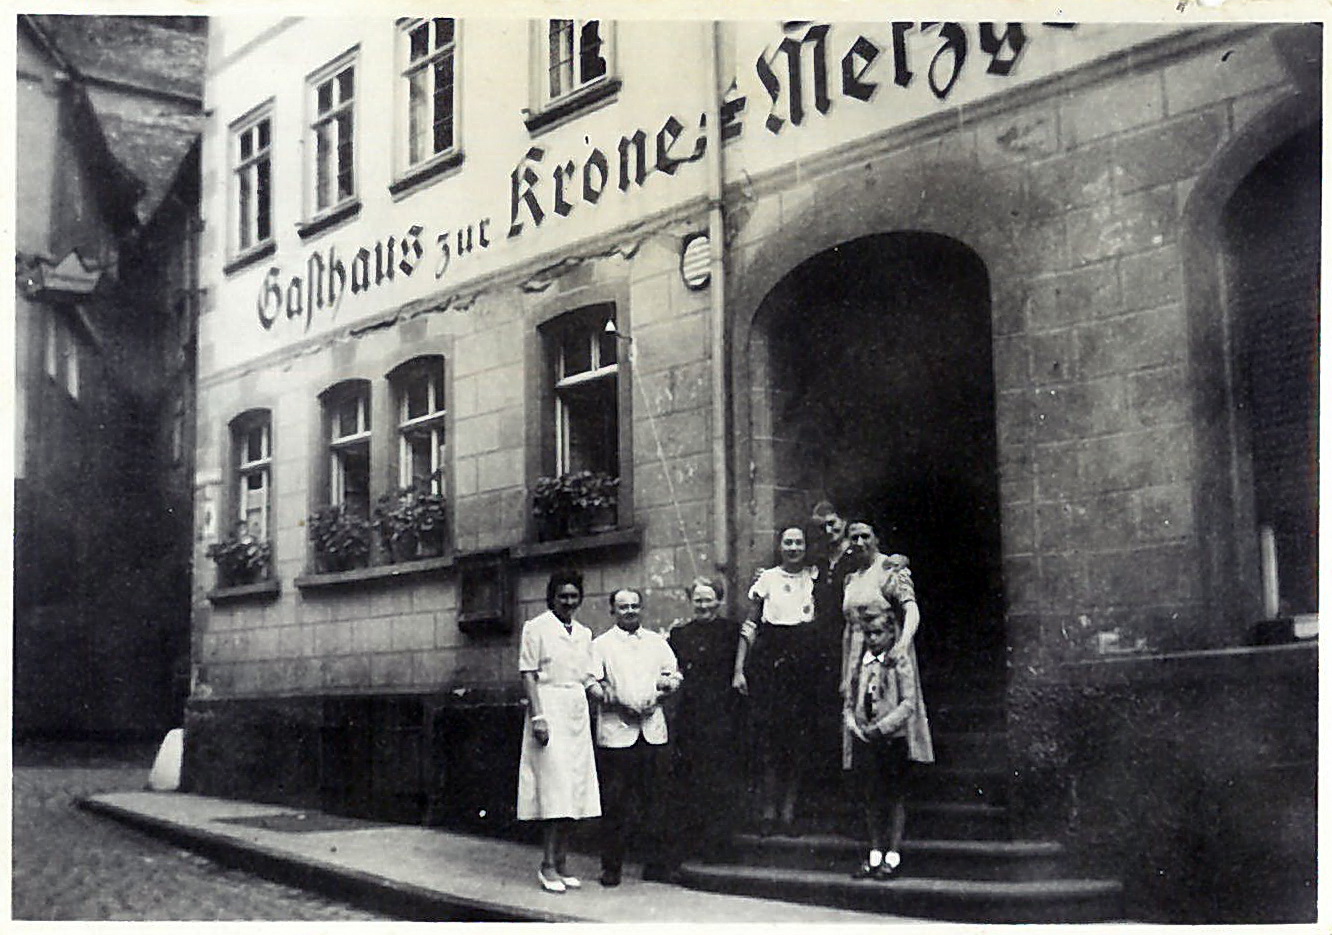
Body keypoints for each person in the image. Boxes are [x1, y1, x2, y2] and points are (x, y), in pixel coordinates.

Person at [589, 587, 683, 886]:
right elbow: (591, 681)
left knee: (655, 801)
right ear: (612, 611)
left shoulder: (657, 642)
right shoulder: (600, 645)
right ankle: (611, 867)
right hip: (617, 733)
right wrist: (614, 700)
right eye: (623, 607)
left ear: (641, 609)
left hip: (652, 731)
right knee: (616, 802)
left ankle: (655, 865)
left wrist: (663, 691)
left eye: (634, 606)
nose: (629, 611)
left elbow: (674, 674)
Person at [516, 570, 601, 894]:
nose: (568, 601)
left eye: (573, 596)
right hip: (548, 708)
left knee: (575, 790)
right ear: (552, 597)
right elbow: (528, 673)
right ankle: (547, 865)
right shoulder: (536, 628)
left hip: (576, 712)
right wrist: (538, 715)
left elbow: (587, 676)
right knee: (554, 790)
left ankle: (563, 862)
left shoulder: (584, 633)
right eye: (562, 596)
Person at [733, 526, 819, 834]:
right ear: (780, 546)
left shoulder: (816, 577)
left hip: (804, 662)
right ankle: (769, 811)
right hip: (770, 662)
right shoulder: (766, 579)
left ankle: (789, 812)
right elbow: (750, 625)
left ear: (807, 546)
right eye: (788, 542)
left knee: (798, 740)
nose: (794, 547)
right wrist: (740, 669)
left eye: (799, 542)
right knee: (770, 740)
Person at [840, 521, 933, 774]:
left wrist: (902, 644)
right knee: (859, 718)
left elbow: (911, 609)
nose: (859, 543)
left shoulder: (889, 568)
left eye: (865, 536)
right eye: (854, 538)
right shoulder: (850, 578)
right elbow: (849, 629)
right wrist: (845, 674)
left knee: (890, 717)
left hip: (887, 650)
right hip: (857, 655)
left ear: (876, 539)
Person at [843, 602, 922, 878]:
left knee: (894, 795)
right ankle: (875, 852)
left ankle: (893, 853)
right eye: (868, 634)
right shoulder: (861, 663)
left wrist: (883, 727)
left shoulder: (899, 661)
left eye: (878, 633)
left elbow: (908, 703)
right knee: (871, 795)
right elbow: (850, 701)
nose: (873, 639)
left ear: (891, 634)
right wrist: (856, 726)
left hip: (891, 740)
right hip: (866, 740)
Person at [666, 575, 742, 859]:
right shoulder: (680, 635)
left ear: (719, 601)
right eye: (697, 599)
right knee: (692, 780)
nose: (702, 605)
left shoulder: (732, 632)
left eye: (708, 599)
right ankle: (695, 844)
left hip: (723, 715)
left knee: (720, 780)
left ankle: (720, 845)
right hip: (691, 715)